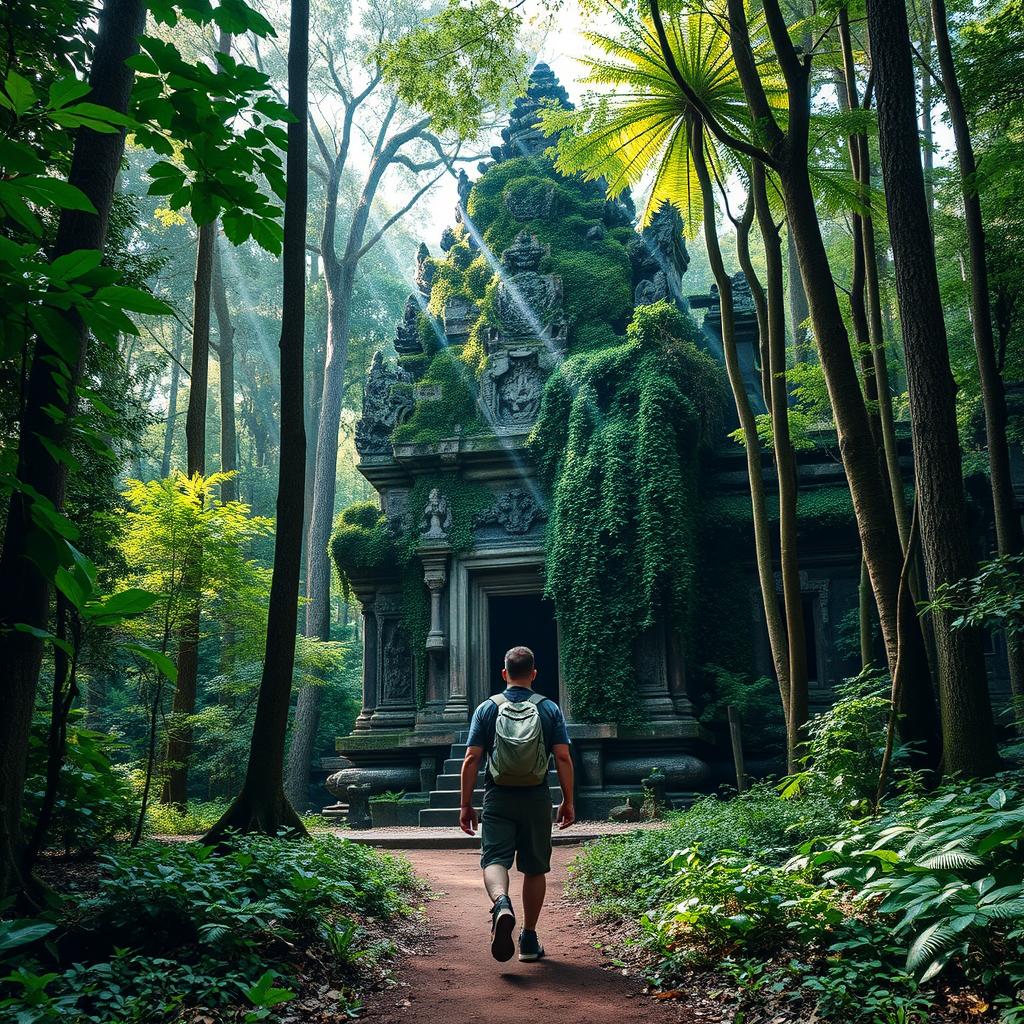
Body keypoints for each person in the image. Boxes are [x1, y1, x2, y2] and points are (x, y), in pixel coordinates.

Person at [459, 645, 575, 963]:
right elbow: (563, 756)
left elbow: (472, 758)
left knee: (494, 858)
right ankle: (528, 938)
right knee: (535, 868)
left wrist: (466, 804)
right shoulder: (549, 709)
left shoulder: (487, 708)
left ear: (504, 673)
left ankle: (501, 903)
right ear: (533, 674)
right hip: (537, 796)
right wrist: (568, 800)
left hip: (498, 795)